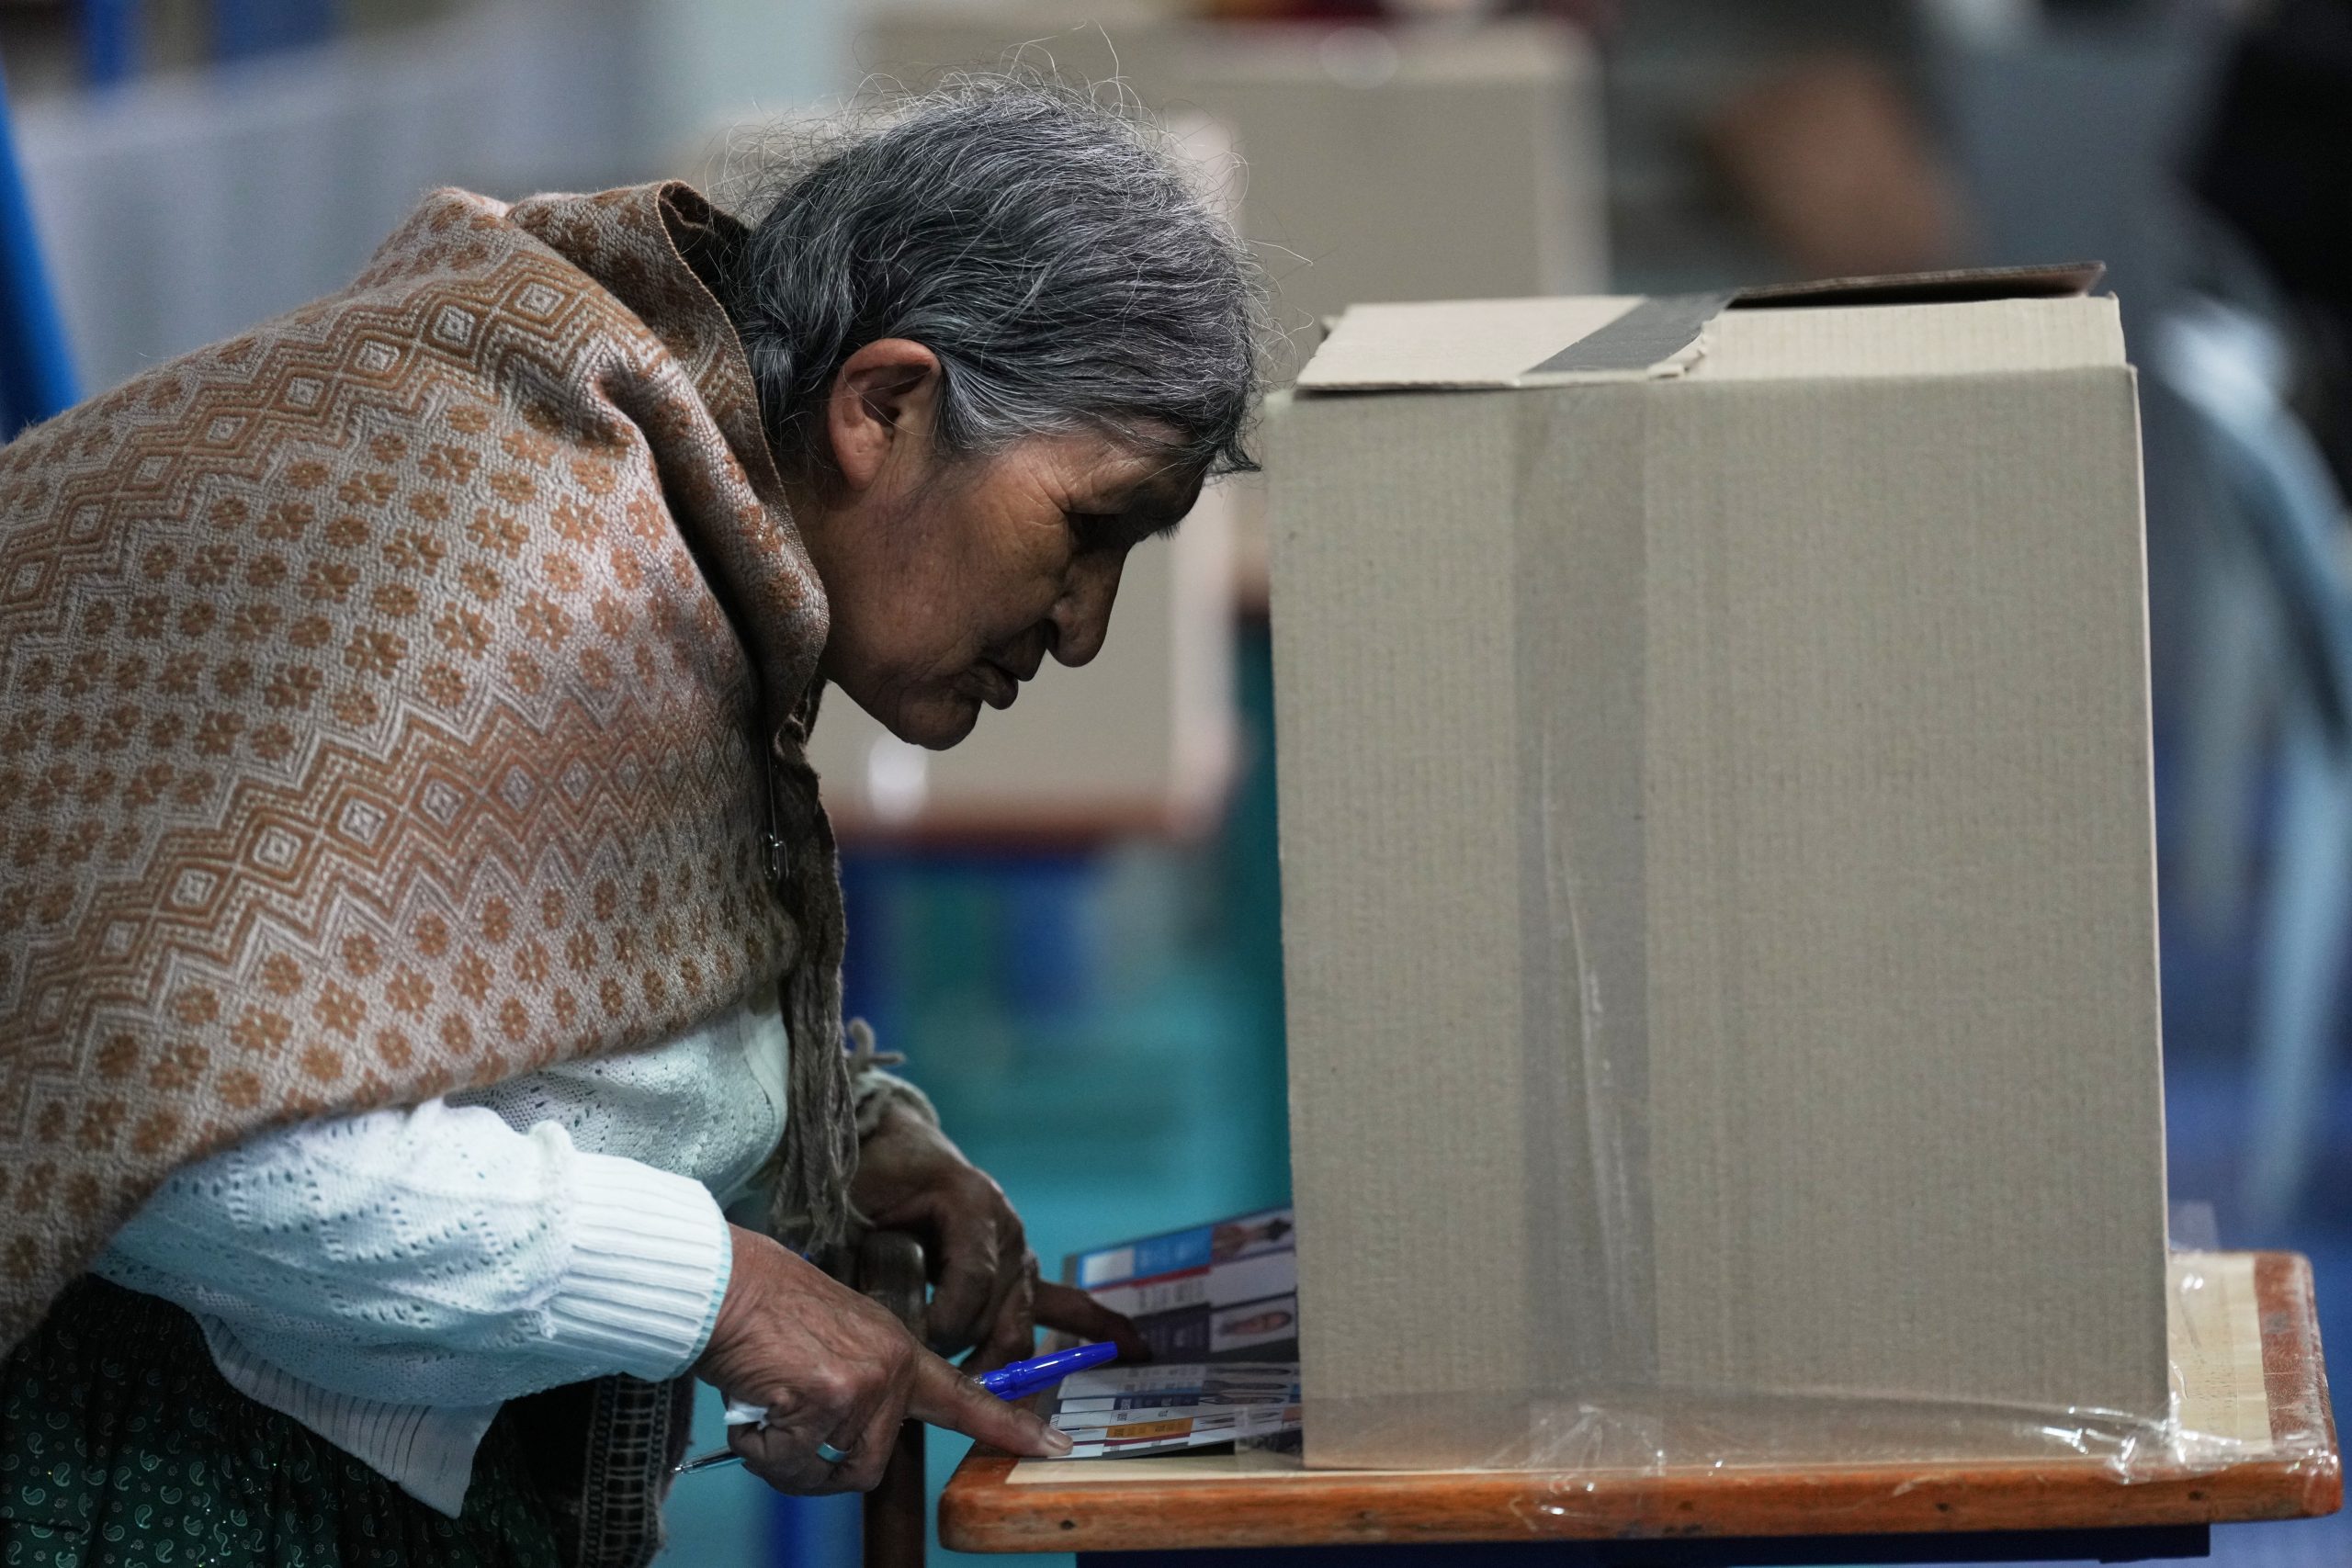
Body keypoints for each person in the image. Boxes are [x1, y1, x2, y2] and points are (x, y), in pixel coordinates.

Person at [0, 74, 1264, 1568]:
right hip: (172, 1489)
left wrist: (834, 1134)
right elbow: (177, 1136)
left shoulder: (677, 527)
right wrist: (722, 1291)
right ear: (884, 406)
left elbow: (484, 974)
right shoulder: (530, 563)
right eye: (1087, 526)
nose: (1085, 628)